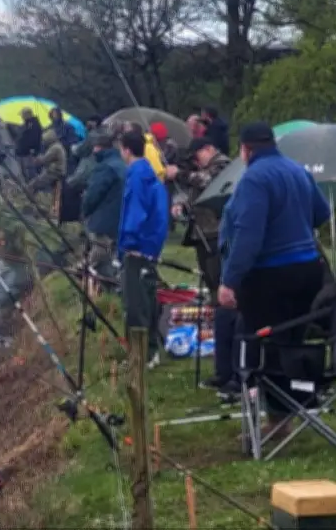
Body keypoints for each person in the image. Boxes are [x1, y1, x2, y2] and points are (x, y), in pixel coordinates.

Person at [218, 121, 330, 438]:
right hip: (308, 270)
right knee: (291, 342)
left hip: (271, 275)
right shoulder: (297, 170)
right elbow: (322, 213)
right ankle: (286, 412)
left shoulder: (254, 178)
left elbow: (249, 236)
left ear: (246, 149)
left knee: (260, 344)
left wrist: (230, 280)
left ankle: (273, 418)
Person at [165, 137, 234, 396]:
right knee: (213, 295)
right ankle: (221, 365)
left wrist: (181, 174)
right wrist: (181, 204)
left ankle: (226, 367)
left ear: (208, 149)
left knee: (220, 295)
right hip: (202, 235)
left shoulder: (223, 165)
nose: (196, 162)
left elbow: (211, 185)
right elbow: (196, 192)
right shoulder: (203, 168)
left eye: (197, 157)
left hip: (216, 235)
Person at [118, 130, 170, 369]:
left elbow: (135, 212)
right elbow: (160, 213)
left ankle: (142, 356)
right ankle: (150, 351)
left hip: (137, 249)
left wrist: (130, 243)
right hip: (150, 247)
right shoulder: (151, 173)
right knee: (148, 299)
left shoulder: (136, 176)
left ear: (126, 150)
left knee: (135, 303)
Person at [81, 133, 127, 277]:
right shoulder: (122, 164)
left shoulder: (105, 168)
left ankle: (100, 285)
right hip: (121, 218)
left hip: (105, 220)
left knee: (100, 256)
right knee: (113, 256)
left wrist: (85, 211)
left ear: (98, 148)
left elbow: (93, 194)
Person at [27, 128, 67, 195]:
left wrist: (36, 159)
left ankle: (30, 200)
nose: (43, 142)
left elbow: (45, 160)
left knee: (32, 185)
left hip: (54, 172)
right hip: (57, 171)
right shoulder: (57, 146)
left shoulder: (55, 148)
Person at [17, 108, 44, 181]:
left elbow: (34, 139)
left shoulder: (34, 124)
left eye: (23, 114)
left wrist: (32, 149)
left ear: (28, 114)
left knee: (31, 171)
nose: (22, 116)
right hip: (23, 152)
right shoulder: (26, 124)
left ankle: (34, 188)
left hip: (30, 152)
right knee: (25, 171)